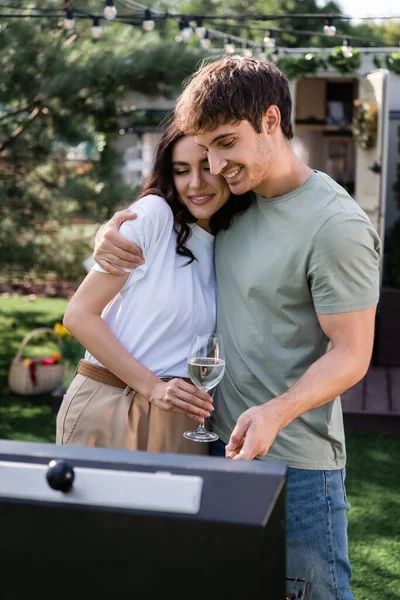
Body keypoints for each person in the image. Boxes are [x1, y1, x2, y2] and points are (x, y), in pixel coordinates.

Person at [93, 57, 381, 599]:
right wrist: (112, 228)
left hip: (297, 464)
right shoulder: (236, 202)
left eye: (227, 143)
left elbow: (352, 353)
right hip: (219, 448)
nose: (217, 165)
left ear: (271, 120)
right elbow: (168, 208)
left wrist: (275, 411)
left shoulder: (336, 225)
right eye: (208, 149)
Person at [56, 121, 252, 454]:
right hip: (113, 401)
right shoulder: (153, 216)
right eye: (181, 170)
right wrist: (153, 388)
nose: (195, 183)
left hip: (184, 418)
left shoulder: (229, 237)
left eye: (207, 168)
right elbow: (78, 315)